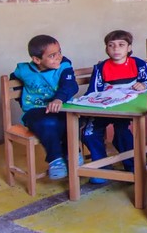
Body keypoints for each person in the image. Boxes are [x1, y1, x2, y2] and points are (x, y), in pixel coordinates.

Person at [11, 34, 93, 180]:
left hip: (61, 106)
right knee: (49, 123)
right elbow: (13, 78)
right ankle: (55, 160)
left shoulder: (64, 66)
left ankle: (72, 153)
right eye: (52, 55)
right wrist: (21, 99)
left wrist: (58, 99)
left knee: (74, 120)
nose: (59, 57)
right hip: (35, 111)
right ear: (37, 60)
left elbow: (70, 85)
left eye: (59, 52)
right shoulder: (23, 70)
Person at [83, 30, 147, 179]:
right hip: (105, 109)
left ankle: (133, 166)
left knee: (122, 132)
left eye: (121, 45)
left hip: (127, 109)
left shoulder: (138, 64)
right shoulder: (101, 68)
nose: (116, 49)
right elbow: (92, 91)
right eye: (111, 45)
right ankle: (101, 167)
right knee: (89, 133)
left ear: (129, 48)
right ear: (106, 49)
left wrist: (145, 84)